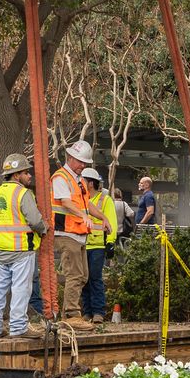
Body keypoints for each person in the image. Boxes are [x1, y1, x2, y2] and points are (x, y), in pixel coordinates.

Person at [0, 153, 46, 339]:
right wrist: (44, 228)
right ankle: (18, 327)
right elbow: (35, 221)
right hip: (21, 250)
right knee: (21, 289)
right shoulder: (23, 193)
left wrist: (0, 236)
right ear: (16, 175)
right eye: (26, 172)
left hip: (1, 251)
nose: (29, 176)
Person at [51, 140, 104, 330]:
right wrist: (84, 216)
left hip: (79, 234)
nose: (83, 165)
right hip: (66, 233)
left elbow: (86, 204)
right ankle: (71, 316)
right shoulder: (60, 178)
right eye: (81, 161)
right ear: (71, 158)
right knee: (74, 275)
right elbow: (65, 202)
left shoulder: (78, 180)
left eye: (85, 162)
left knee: (83, 275)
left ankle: (73, 314)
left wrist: (102, 217)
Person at [81, 167, 122, 322]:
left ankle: (98, 312)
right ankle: (87, 312)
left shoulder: (105, 200)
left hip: (98, 246)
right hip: (83, 245)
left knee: (95, 278)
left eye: (83, 180)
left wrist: (110, 242)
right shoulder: (80, 200)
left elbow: (111, 221)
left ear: (90, 183)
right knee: (84, 278)